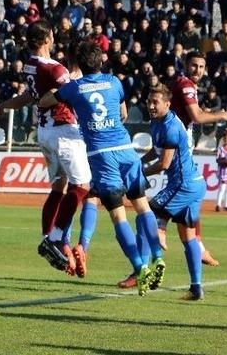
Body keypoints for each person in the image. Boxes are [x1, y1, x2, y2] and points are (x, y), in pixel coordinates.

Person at [40, 41, 165, 296]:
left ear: (80, 64)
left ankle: (140, 268)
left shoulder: (74, 87)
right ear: (101, 61)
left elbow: (44, 102)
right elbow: (123, 113)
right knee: (142, 206)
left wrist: (54, 91)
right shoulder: (115, 82)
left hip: (101, 156)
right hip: (126, 150)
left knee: (118, 215)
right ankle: (157, 256)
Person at [0, 20, 96, 278]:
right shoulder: (54, 68)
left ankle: (50, 238)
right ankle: (54, 238)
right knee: (83, 186)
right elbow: (71, 92)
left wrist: (4, 105)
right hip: (63, 131)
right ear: (48, 38)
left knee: (59, 187)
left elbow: (30, 97)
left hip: (45, 132)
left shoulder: (31, 64)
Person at [163, 51, 227, 267]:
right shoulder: (186, 84)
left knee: (189, 196)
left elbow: (191, 112)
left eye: (201, 67)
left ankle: (197, 247)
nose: (197, 70)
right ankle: (160, 226)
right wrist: (222, 114)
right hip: (179, 140)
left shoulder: (183, 83)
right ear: (186, 65)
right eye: (194, 65)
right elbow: (197, 117)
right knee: (191, 189)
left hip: (177, 138)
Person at [141, 84, 207, 301]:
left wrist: (140, 173)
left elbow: (164, 164)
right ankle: (196, 287)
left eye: (155, 102)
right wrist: (138, 161)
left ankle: (151, 262)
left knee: (147, 211)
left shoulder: (170, 125)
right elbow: (156, 150)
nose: (151, 105)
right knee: (189, 237)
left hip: (184, 183)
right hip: (193, 183)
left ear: (167, 104)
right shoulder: (156, 122)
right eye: (149, 101)